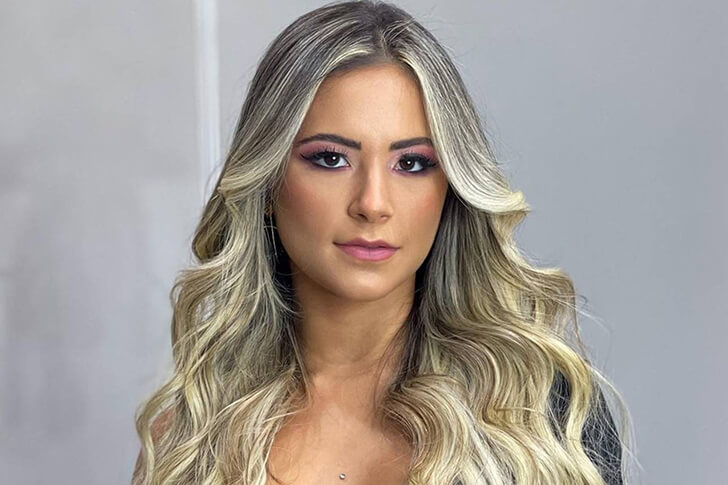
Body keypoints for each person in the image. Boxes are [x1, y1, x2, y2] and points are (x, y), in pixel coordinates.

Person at [132, 1, 635, 484]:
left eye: (411, 163)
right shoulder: (190, 439)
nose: (373, 203)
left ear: (451, 187)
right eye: (331, 159)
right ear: (266, 182)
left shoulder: (539, 419)